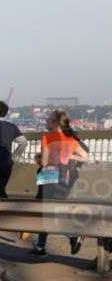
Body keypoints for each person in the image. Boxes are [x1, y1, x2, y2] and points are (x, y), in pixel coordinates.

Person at [30, 110, 89, 257]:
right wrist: (69, 156)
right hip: (63, 178)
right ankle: (41, 246)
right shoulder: (71, 139)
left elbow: (44, 162)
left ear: (55, 122)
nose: (46, 121)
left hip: (48, 176)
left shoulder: (47, 138)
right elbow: (85, 156)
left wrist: (37, 157)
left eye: (48, 119)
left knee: (45, 212)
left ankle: (70, 235)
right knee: (52, 211)